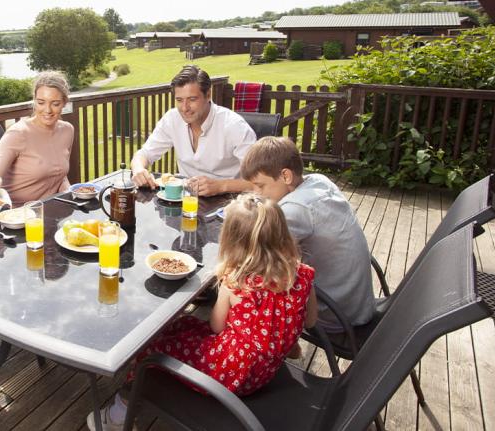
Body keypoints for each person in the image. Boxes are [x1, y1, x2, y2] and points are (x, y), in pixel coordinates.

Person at [88, 194, 317, 431]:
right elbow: (309, 321)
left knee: (150, 351)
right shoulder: (303, 274)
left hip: (230, 377)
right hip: (264, 371)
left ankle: (116, 418)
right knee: (183, 323)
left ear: (233, 241)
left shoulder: (237, 280)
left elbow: (216, 326)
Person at [240, 136, 375, 331]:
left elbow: (256, 257)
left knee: (244, 284)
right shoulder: (319, 180)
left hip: (333, 312)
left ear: (286, 176)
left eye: (260, 186)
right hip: (357, 301)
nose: (256, 193)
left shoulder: (294, 209)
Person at [130, 65, 256, 197]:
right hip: (186, 200)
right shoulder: (172, 119)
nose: (184, 108)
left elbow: (261, 182)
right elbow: (144, 154)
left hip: (229, 204)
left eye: (192, 99)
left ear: (208, 95)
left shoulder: (234, 126)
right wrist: (138, 169)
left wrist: (221, 186)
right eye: (179, 100)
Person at [0, 71, 74, 205]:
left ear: (64, 103)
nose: (47, 110)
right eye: (41, 102)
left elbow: (60, 176)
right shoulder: (17, 133)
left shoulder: (67, 130)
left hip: (50, 211)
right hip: (16, 215)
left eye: (55, 104)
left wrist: (71, 196)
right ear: (34, 100)